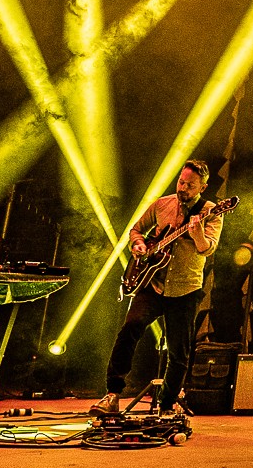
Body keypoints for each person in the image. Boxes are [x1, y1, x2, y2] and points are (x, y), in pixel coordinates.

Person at [93, 159, 223, 421]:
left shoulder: (212, 211)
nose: (183, 188)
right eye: (181, 181)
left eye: (190, 185)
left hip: (185, 287)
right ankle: (112, 394)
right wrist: (139, 245)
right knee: (130, 328)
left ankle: (167, 403)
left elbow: (207, 248)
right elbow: (136, 229)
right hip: (152, 283)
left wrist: (196, 232)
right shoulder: (162, 204)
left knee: (179, 351)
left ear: (203, 187)